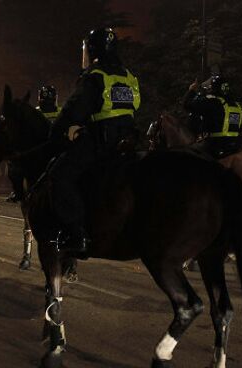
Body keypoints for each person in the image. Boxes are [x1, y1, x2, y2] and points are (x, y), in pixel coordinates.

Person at [47, 28, 140, 256]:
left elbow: (75, 110)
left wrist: (56, 132)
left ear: (92, 49)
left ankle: (77, 235)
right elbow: (135, 106)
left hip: (102, 139)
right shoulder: (128, 76)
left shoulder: (95, 76)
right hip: (128, 138)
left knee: (60, 176)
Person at [183, 74, 242, 159]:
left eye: (210, 87)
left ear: (215, 88)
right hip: (236, 145)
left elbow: (187, 105)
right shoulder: (236, 106)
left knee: (189, 153)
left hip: (215, 145)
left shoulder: (213, 102)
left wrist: (191, 90)